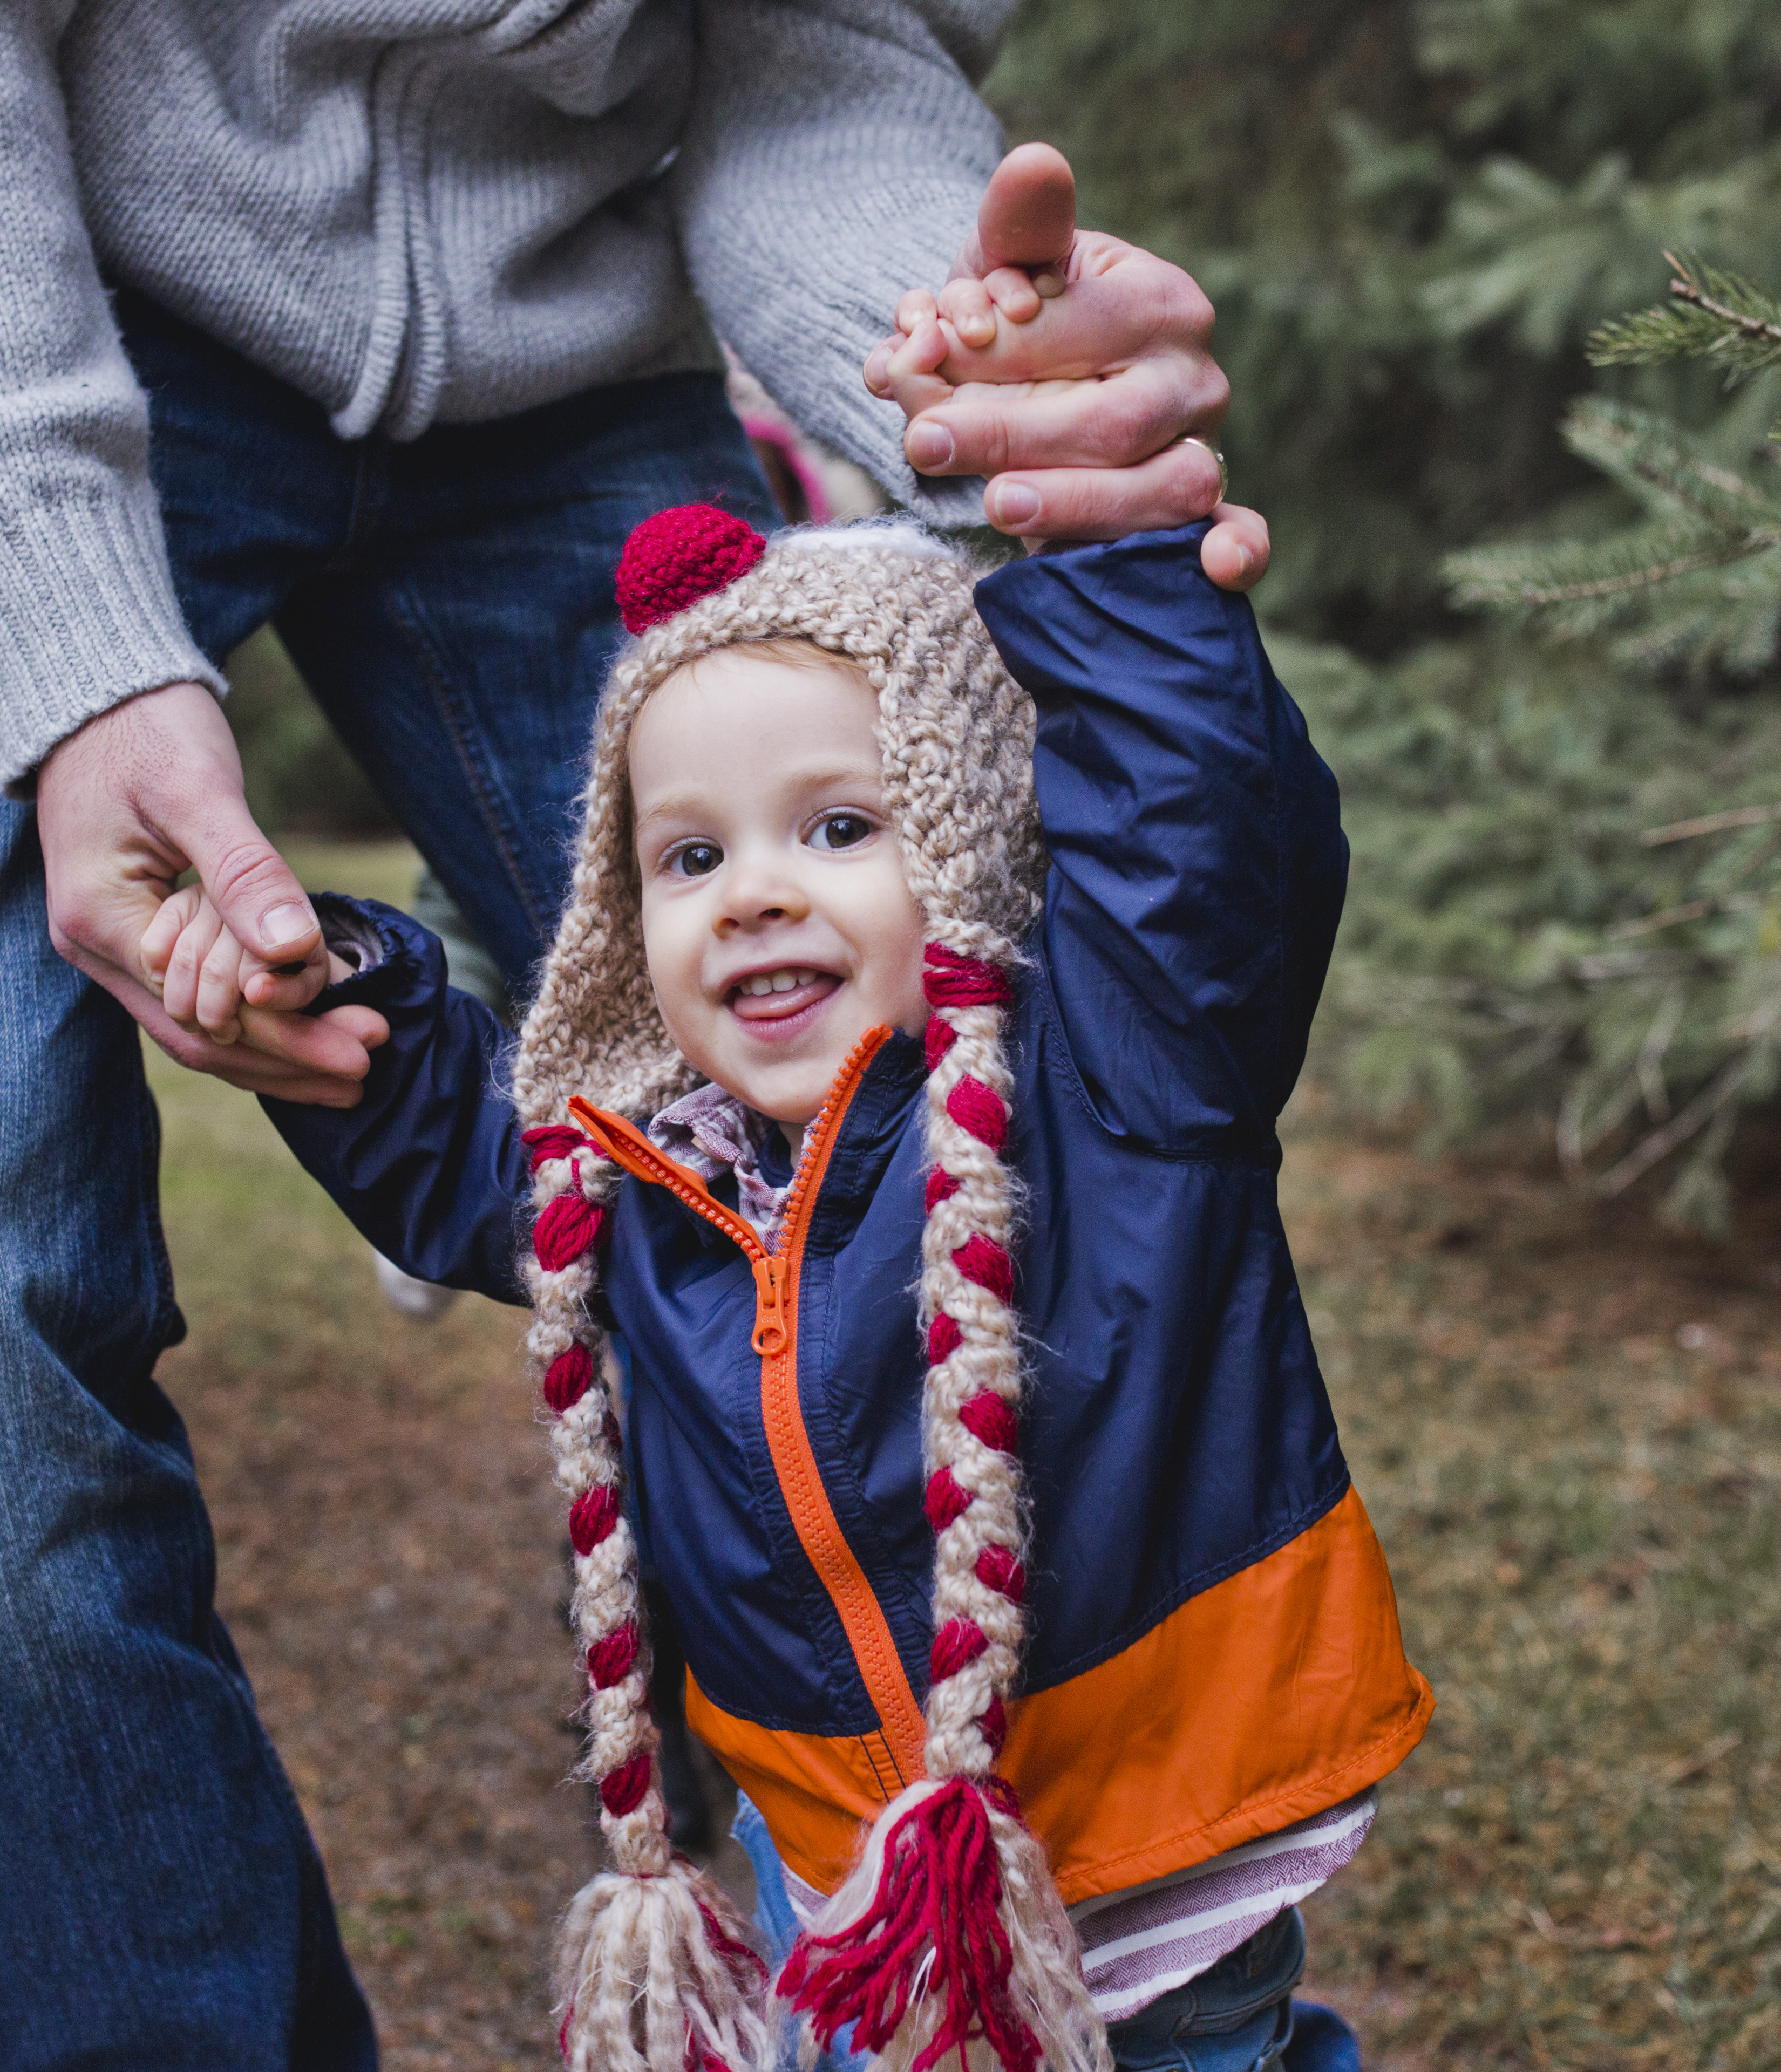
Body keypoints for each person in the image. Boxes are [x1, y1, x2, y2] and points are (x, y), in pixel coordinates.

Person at [0, 0, 1266, 2057]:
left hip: (567, 358)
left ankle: (924, 1987)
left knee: (906, 1149)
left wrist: (974, 383)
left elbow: (819, 50)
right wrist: (67, 647)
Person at [155, 496, 1431, 2072]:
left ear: (969, 835)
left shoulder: (1114, 1074)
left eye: (838, 828)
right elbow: (448, 1145)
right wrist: (331, 990)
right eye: (692, 853)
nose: (753, 890)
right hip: (843, 1857)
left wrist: (1117, 582)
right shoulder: (640, 1178)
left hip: (1164, 1831)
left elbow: (1195, 841)